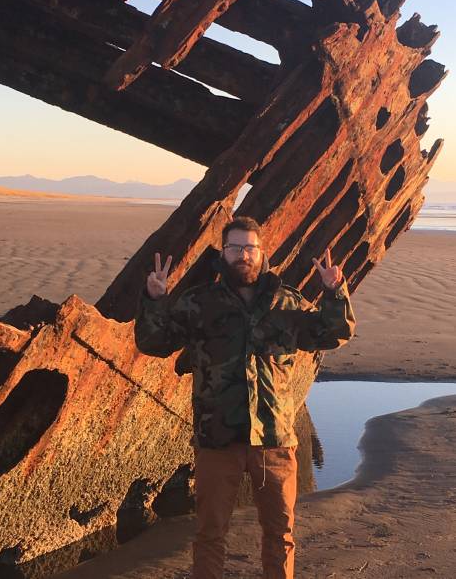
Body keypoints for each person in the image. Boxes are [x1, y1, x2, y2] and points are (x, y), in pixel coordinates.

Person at [135, 216, 355, 579]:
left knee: (280, 533)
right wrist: (154, 300)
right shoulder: (199, 303)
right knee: (209, 534)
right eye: (235, 248)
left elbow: (334, 334)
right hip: (218, 439)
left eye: (249, 248)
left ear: (262, 254)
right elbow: (153, 342)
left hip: (274, 439)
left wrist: (334, 292)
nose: (243, 255)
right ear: (223, 254)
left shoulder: (287, 304)